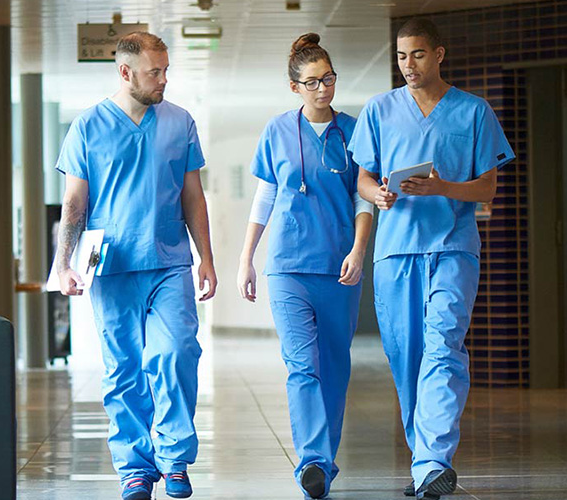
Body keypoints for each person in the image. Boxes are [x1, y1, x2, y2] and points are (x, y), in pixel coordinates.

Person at [347, 18, 514, 500]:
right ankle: (424, 462)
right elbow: (363, 178)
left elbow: (487, 188)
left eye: (417, 54)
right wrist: (377, 194)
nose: (408, 65)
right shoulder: (380, 110)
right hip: (396, 252)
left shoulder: (474, 111)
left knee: (443, 348)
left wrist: (443, 187)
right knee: (406, 359)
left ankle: (434, 461)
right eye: (401, 56)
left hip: (453, 248)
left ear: (438, 55)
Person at [54, 31, 217, 500]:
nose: (163, 79)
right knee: (124, 369)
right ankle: (135, 468)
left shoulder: (180, 122)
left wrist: (206, 258)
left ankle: (174, 457)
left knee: (176, 352)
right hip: (112, 265)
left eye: (166, 70)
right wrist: (64, 264)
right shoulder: (87, 126)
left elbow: (193, 195)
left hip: (169, 260)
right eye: (154, 72)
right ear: (126, 72)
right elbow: (75, 202)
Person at [236, 33, 373, 500]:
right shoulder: (277, 130)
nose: (322, 89)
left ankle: (324, 463)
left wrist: (358, 250)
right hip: (288, 267)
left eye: (328, 79)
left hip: (339, 267)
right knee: (301, 365)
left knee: (334, 366)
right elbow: (266, 196)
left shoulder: (354, 131)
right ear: (294, 86)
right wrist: (246, 258)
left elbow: (363, 197)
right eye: (312, 82)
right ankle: (312, 460)